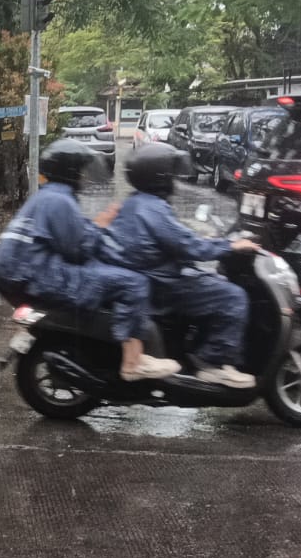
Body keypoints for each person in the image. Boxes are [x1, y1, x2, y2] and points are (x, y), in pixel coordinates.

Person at [0, 139, 180, 382]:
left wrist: (94, 227)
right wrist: (102, 226)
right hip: (41, 276)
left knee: (107, 276)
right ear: (70, 170)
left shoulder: (45, 196)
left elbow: (67, 236)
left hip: (19, 274)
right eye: (81, 169)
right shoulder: (60, 200)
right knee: (134, 282)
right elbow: (79, 250)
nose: (84, 176)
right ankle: (133, 362)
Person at [103, 143, 260, 389]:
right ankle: (214, 363)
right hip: (162, 284)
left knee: (209, 281)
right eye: (172, 174)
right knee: (232, 296)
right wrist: (231, 246)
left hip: (149, 276)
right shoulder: (153, 208)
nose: (175, 180)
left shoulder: (136, 202)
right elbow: (191, 247)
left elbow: (175, 237)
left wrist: (205, 238)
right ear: (160, 177)